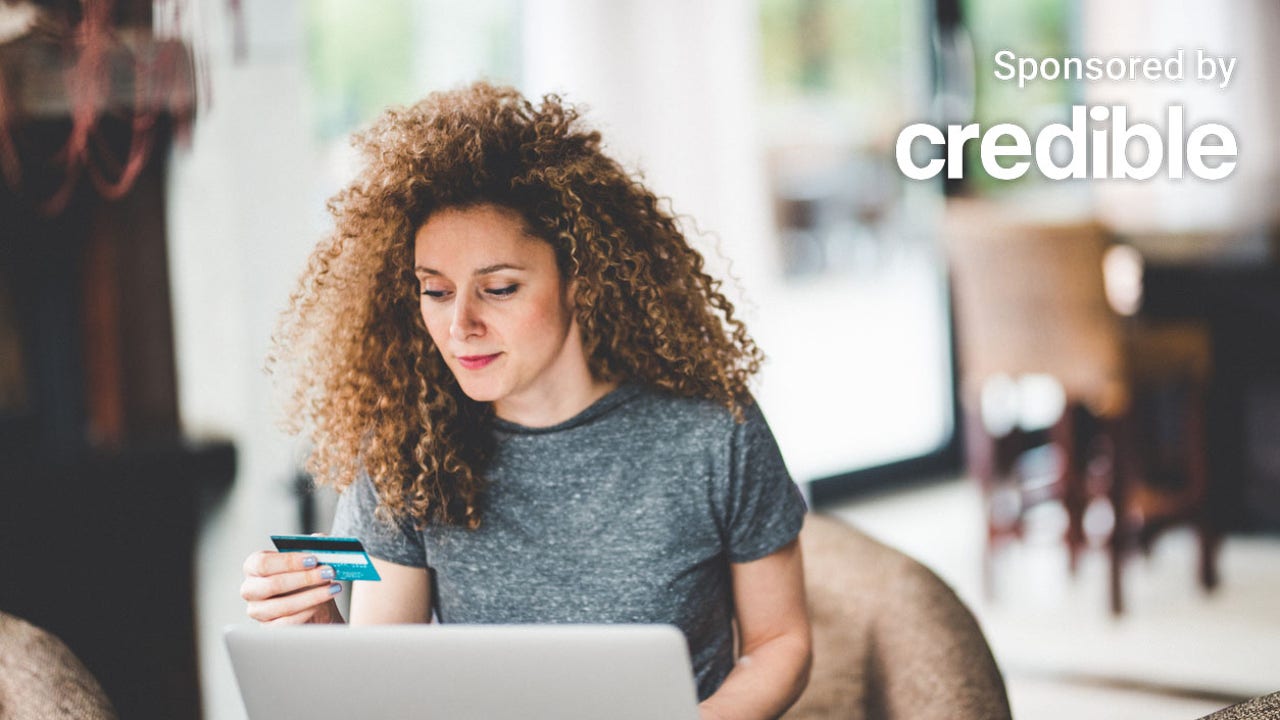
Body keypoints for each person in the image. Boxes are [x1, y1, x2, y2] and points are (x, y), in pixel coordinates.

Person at [240, 82, 811, 720]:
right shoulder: (407, 450)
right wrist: (316, 627)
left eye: (500, 288)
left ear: (579, 280)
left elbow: (780, 642)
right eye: (436, 291)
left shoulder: (713, 432)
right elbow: (382, 692)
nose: (460, 325)